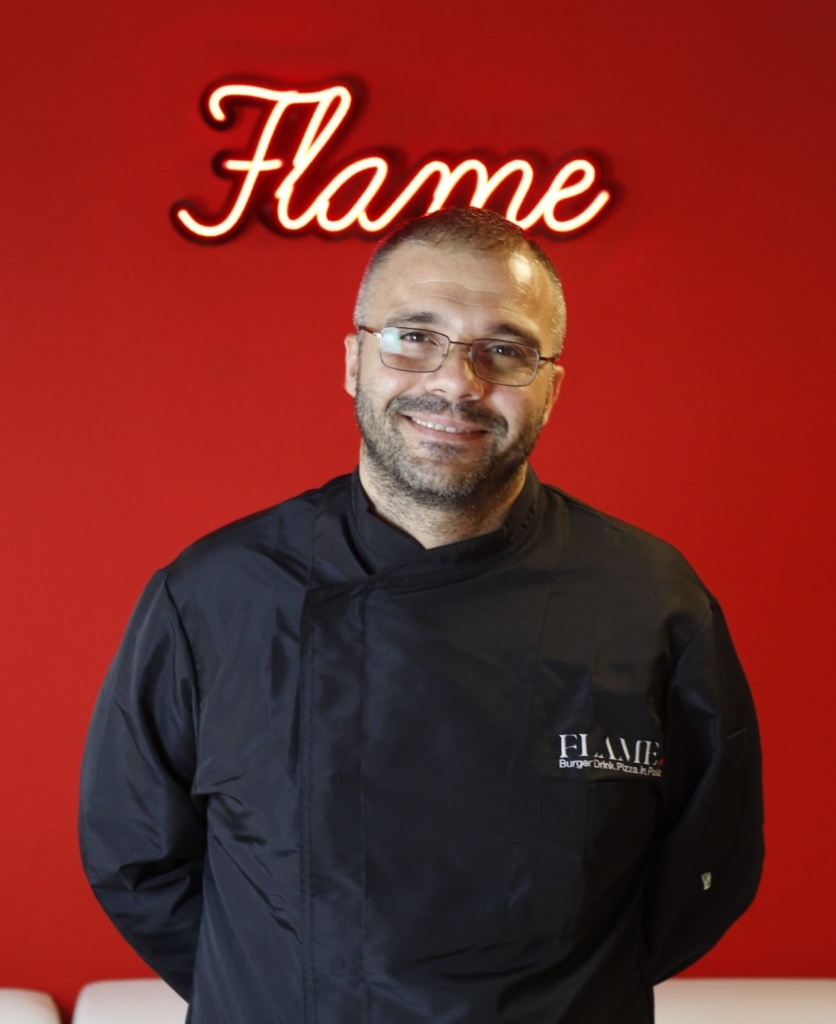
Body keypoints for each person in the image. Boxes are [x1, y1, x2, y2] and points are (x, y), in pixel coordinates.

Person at [79, 207, 763, 1024]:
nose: (457, 383)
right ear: (353, 361)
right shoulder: (214, 594)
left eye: (504, 351)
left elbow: (709, 867)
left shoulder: (650, 598)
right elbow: (135, 856)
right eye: (414, 337)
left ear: (551, 386)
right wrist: (277, 985)